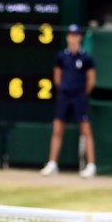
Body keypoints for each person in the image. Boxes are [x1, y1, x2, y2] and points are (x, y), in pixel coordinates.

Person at [40, 24, 96, 178]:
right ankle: (52, 163)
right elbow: (57, 76)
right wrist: (64, 89)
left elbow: (91, 80)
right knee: (57, 130)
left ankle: (91, 165)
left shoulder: (86, 58)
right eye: (70, 35)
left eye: (76, 35)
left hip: (79, 97)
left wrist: (82, 93)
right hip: (64, 96)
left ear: (80, 38)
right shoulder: (61, 57)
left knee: (86, 131)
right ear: (67, 37)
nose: (73, 38)